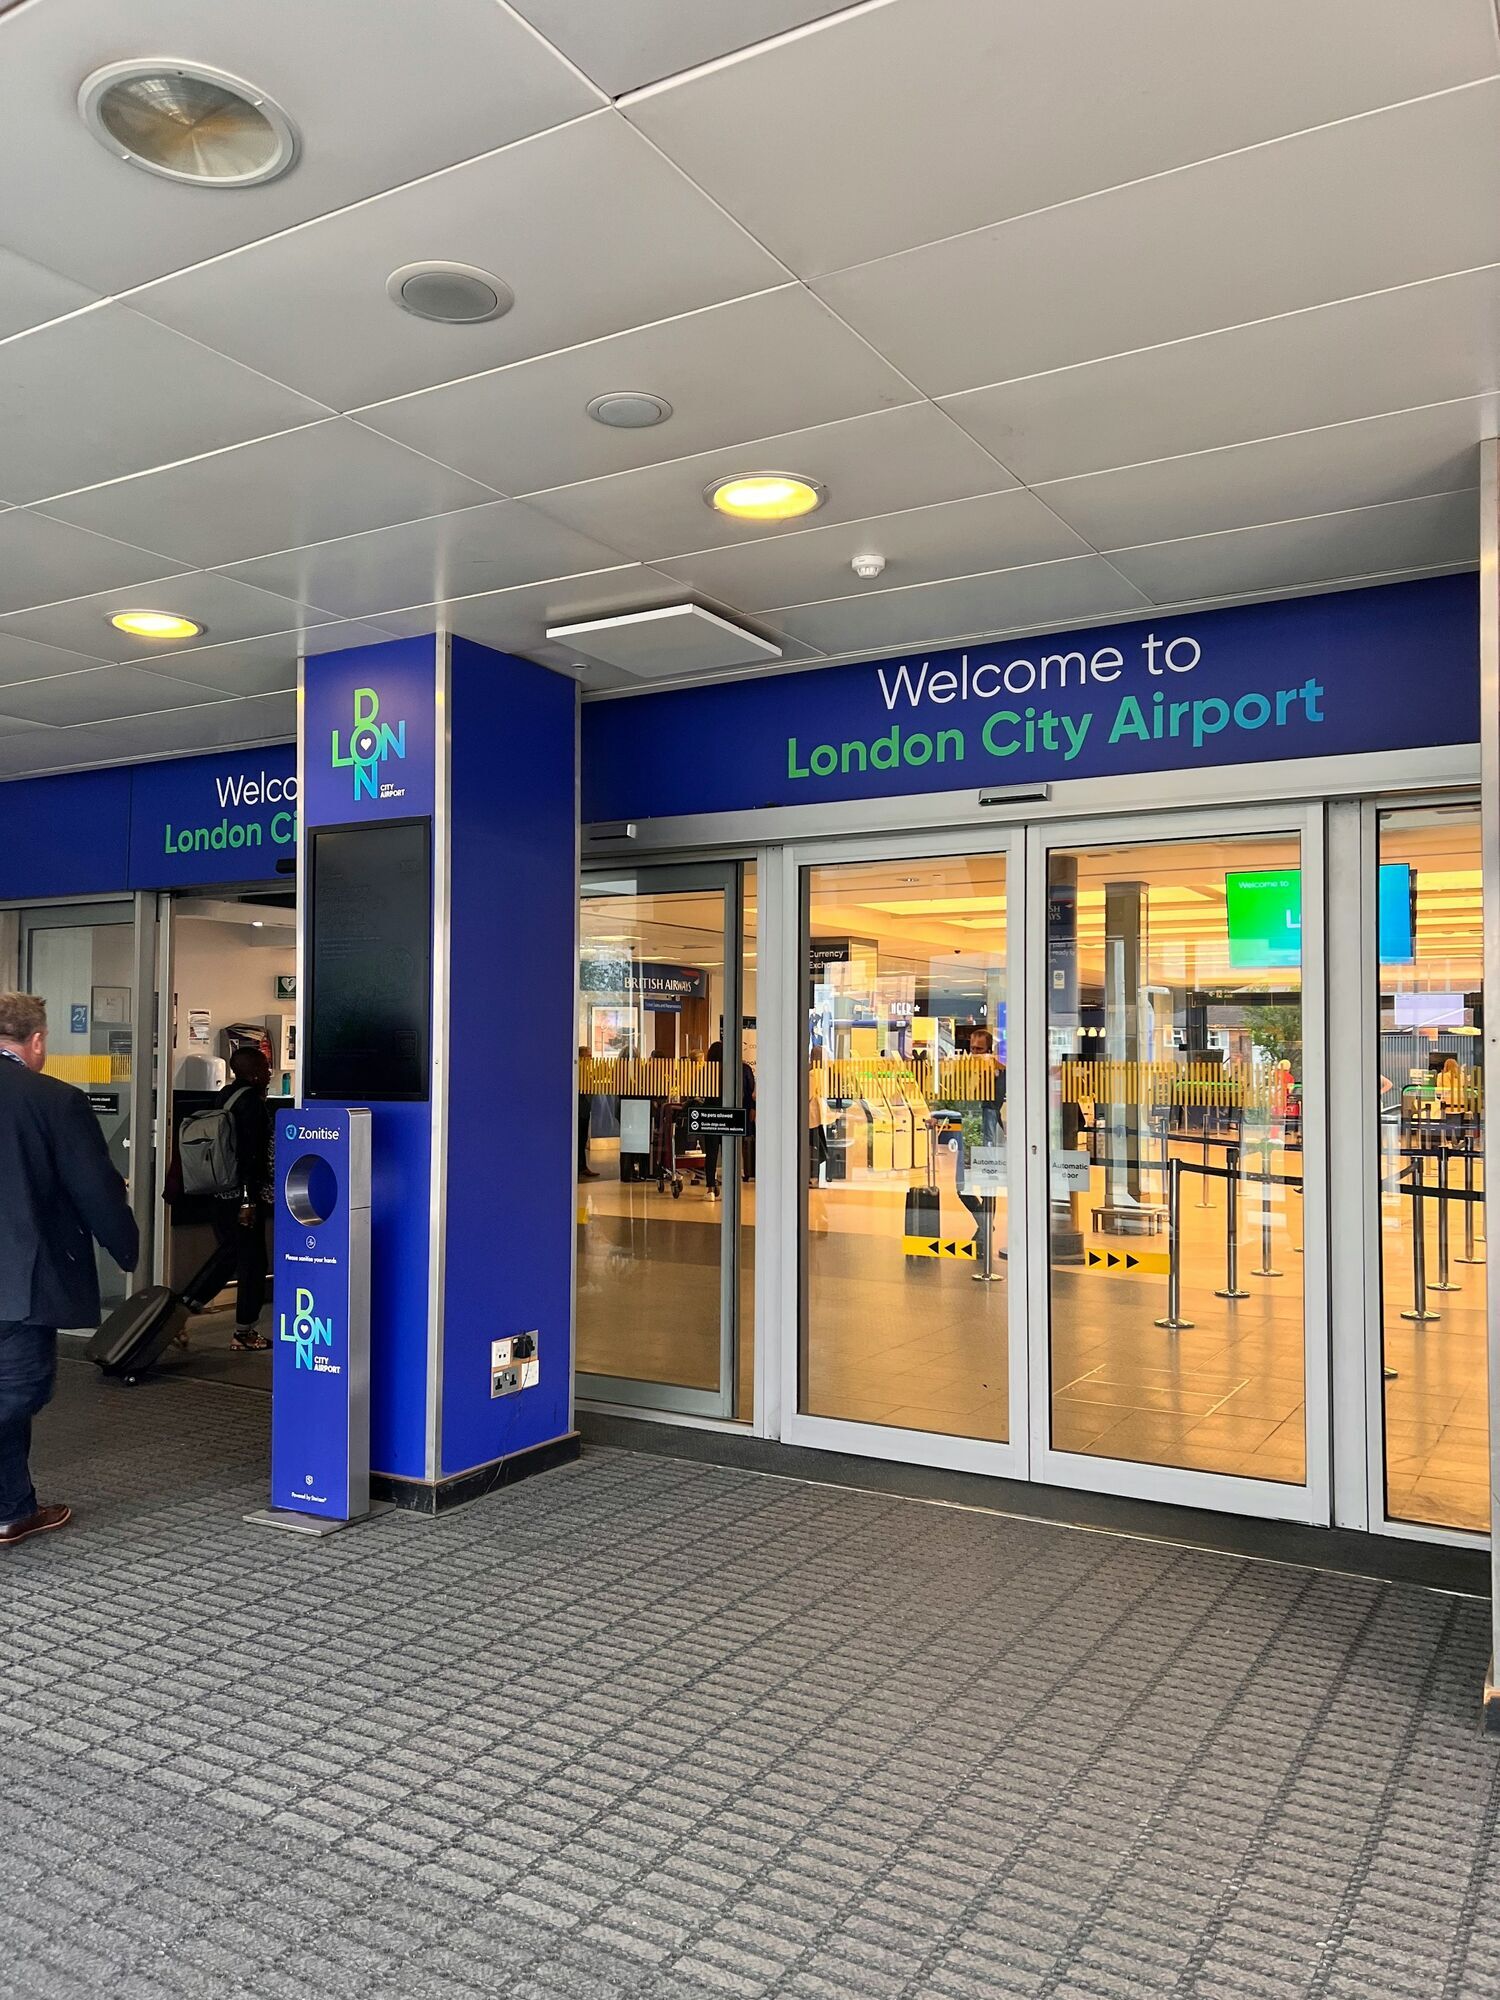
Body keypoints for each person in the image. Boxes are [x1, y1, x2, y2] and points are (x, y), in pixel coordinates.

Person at [0, 992, 138, 1548]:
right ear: (36, 1042)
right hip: (20, 1282)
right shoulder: (54, 1100)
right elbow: (95, 1188)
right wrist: (126, 1247)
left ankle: (12, 1509)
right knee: (18, 1390)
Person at [210, 1046, 274, 1350]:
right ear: (252, 1072)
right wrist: (249, 1200)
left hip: (219, 1192)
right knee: (252, 1263)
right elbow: (251, 1156)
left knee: (227, 1258)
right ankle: (245, 1331)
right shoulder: (252, 1105)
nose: (269, 1072)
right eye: (264, 1067)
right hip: (242, 1197)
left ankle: (181, 1311)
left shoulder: (224, 1096)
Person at [577, 1044, 599, 1180]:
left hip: (585, 1110)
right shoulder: (579, 1072)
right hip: (580, 1111)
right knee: (579, 1139)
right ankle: (580, 1166)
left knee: (583, 1138)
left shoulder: (586, 1072)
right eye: (588, 1056)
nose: (591, 1059)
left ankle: (582, 1166)